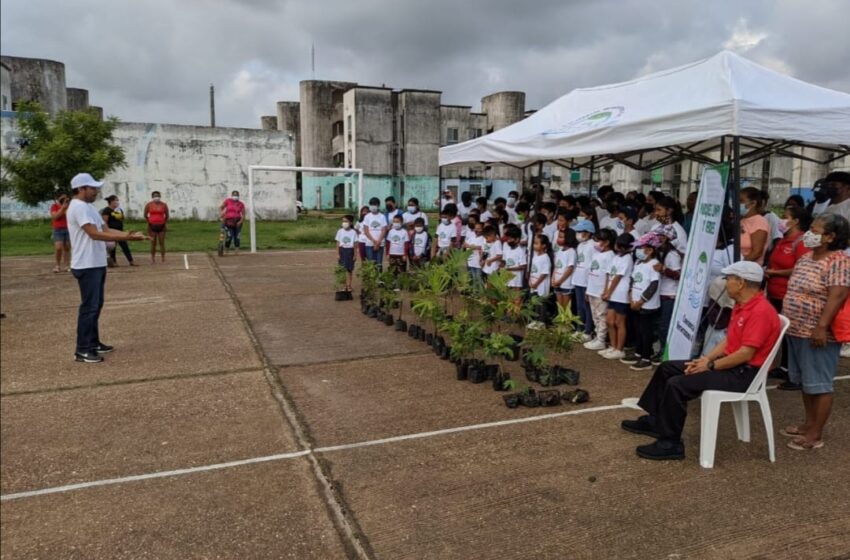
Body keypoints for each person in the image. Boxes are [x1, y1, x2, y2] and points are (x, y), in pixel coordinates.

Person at [621, 261, 781, 460]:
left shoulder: (760, 311)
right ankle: (656, 420)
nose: (725, 283)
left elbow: (745, 354)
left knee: (677, 384)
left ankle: (670, 443)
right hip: (730, 365)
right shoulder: (743, 305)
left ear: (740, 283)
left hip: (743, 373)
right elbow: (729, 340)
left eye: (728, 279)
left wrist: (710, 366)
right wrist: (706, 359)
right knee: (667, 368)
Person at [781, 213, 850, 451]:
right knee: (807, 383)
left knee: (819, 384)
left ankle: (815, 434)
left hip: (817, 333)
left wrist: (821, 327)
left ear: (830, 237)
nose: (809, 234)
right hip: (797, 330)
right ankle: (808, 424)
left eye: (816, 230)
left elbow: (837, 295)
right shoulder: (807, 257)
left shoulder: (839, 260)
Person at [66, 173, 147, 363]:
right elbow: (94, 234)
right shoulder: (78, 207)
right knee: (89, 307)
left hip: (96, 263)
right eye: (92, 188)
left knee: (96, 305)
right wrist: (126, 238)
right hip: (86, 264)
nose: (96, 191)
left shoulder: (89, 208)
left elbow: (106, 230)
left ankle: (93, 342)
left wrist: (130, 235)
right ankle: (83, 349)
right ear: (80, 189)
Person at [765, 206, 812, 386]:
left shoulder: (801, 242)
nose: (781, 221)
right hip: (775, 292)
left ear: (796, 221)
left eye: (785, 217)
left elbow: (800, 268)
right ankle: (785, 368)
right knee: (782, 334)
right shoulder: (783, 240)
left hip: (790, 294)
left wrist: (775, 273)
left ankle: (796, 374)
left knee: (792, 335)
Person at [623, 232, 663, 370]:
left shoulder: (654, 264)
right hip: (634, 303)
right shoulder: (638, 263)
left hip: (647, 305)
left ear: (650, 250)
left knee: (647, 332)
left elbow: (653, 285)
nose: (638, 251)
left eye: (641, 248)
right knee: (638, 330)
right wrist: (631, 297)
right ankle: (639, 353)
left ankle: (646, 358)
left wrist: (640, 301)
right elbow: (633, 280)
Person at [599, 233, 634, 360]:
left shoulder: (627, 258)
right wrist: (605, 290)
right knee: (609, 321)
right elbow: (609, 275)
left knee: (619, 322)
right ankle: (613, 346)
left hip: (620, 294)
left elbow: (618, 277)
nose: (618, 249)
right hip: (611, 293)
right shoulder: (616, 257)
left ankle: (620, 349)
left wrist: (608, 292)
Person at [583, 228, 616, 351]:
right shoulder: (597, 254)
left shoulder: (610, 256)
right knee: (595, 315)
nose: (596, 243)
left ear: (606, 242)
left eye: (598, 240)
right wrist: (587, 289)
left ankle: (602, 339)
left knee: (602, 315)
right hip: (592, 288)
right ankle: (597, 336)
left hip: (601, 290)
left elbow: (609, 275)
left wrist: (606, 291)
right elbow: (592, 272)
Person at [654, 224, 683, 363]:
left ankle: (666, 353)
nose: (657, 238)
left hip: (670, 294)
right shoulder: (660, 252)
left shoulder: (672, 254)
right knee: (661, 325)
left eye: (660, 236)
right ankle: (661, 350)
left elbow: (678, 274)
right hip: (662, 292)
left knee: (665, 325)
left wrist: (663, 269)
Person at [571, 220, 596, 342]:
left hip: (587, 281)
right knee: (579, 306)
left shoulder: (593, 245)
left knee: (588, 307)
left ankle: (588, 331)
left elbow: (592, 266)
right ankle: (579, 328)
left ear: (589, 232)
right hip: (578, 279)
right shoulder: (579, 246)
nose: (578, 234)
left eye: (581, 232)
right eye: (577, 232)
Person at [101, 195, 136, 266]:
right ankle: (113, 262)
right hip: (111, 231)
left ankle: (131, 261)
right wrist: (107, 231)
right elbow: (104, 221)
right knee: (112, 247)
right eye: (116, 200)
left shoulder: (119, 210)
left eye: (117, 200)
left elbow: (121, 220)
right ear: (111, 201)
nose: (117, 202)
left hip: (120, 231)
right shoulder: (106, 210)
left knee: (124, 245)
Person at [738, 187, 770, 264]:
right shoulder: (741, 220)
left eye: (741, 201)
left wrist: (739, 264)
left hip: (748, 269)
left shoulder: (759, 222)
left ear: (753, 203)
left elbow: (757, 252)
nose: (738, 204)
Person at [552, 228, 577, 312]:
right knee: (560, 306)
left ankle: (566, 324)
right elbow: (556, 266)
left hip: (566, 283)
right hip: (557, 282)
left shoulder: (571, 251)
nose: (558, 239)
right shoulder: (558, 251)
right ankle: (561, 323)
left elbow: (570, 268)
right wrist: (553, 278)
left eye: (561, 237)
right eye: (559, 236)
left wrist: (560, 280)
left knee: (566, 307)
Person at [143, 191, 169, 264]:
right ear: (152, 197)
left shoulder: (164, 205)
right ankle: (152, 258)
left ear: (160, 196)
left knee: (162, 242)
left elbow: (167, 215)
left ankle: (163, 257)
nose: (156, 197)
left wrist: (163, 222)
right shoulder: (148, 205)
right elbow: (145, 215)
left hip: (162, 226)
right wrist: (150, 222)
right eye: (154, 196)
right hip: (152, 226)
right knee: (153, 243)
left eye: (157, 195)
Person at [49, 192, 71, 273]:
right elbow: (55, 217)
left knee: (67, 247)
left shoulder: (69, 207)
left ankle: (67, 265)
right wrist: (63, 208)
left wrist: (66, 207)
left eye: (66, 199)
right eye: (62, 199)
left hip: (67, 228)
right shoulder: (54, 206)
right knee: (58, 247)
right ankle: (57, 265)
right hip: (58, 229)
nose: (64, 200)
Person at [363, 197, 388, 269]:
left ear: (378, 205)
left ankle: (379, 279)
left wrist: (378, 242)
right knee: (371, 264)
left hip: (380, 244)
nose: (373, 206)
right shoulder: (367, 216)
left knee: (379, 264)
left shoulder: (382, 216)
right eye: (371, 204)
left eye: (375, 204)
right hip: (369, 243)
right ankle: (372, 280)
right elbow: (366, 230)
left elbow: (384, 229)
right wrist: (373, 241)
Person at [219, 190, 246, 254]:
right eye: (234, 195)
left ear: (238, 196)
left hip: (237, 221)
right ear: (232, 195)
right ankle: (226, 249)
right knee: (229, 236)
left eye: (236, 195)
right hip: (228, 221)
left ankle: (237, 251)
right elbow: (221, 207)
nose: (235, 196)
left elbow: (243, 214)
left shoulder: (241, 204)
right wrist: (222, 214)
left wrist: (240, 221)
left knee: (237, 236)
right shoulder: (228, 201)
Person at [335, 215, 356, 292]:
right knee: (342, 269)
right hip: (342, 251)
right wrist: (337, 254)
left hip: (350, 251)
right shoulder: (340, 231)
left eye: (346, 221)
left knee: (349, 270)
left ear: (351, 222)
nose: (344, 223)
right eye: (343, 221)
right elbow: (338, 243)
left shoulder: (353, 232)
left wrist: (355, 255)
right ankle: (344, 286)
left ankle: (349, 285)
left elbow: (355, 245)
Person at [502, 226, 527, 291]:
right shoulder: (507, 250)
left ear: (517, 239)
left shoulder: (520, 251)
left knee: (516, 299)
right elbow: (504, 262)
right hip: (507, 279)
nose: (508, 241)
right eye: (508, 239)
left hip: (516, 281)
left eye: (510, 239)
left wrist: (509, 269)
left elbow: (523, 266)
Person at [463, 217, 485, 290]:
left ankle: (480, 293)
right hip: (471, 261)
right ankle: (475, 292)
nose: (476, 230)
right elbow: (465, 244)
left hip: (478, 262)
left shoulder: (484, 238)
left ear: (483, 229)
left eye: (479, 228)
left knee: (479, 278)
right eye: (476, 228)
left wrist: (471, 246)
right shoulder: (472, 237)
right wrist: (472, 246)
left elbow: (481, 247)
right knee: (473, 278)